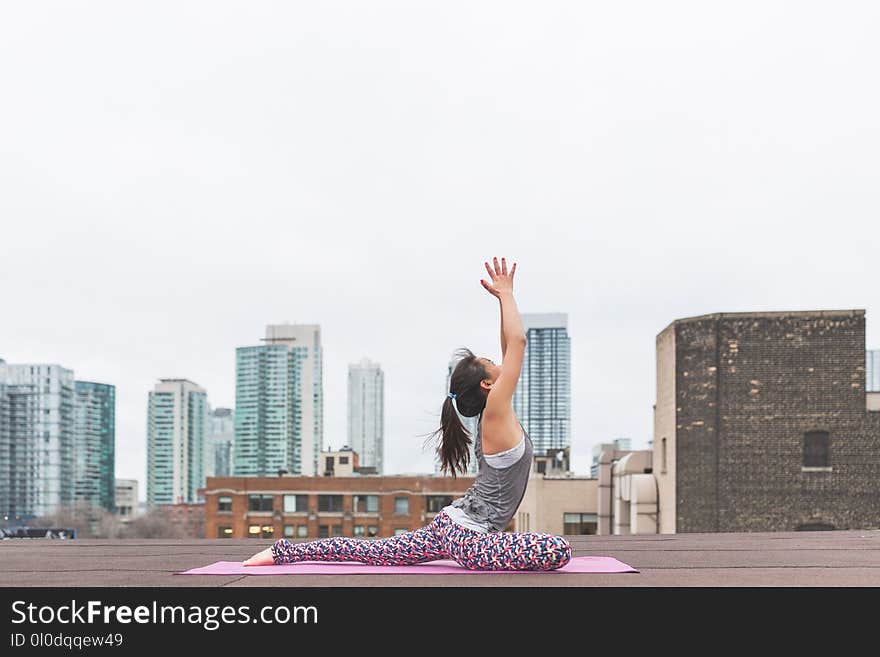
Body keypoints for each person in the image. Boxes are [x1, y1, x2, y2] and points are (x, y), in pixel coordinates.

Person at [243, 256, 572, 571]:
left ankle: (282, 551)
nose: (501, 362)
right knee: (558, 549)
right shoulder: (495, 413)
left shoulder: (497, 413)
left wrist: (502, 300)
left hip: (453, 525)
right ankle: (285, 551)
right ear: (488, 384)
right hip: (471, 537)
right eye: (493, 363)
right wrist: (507, 294)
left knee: (373, 551)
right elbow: (517, 341)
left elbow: (508, 345)